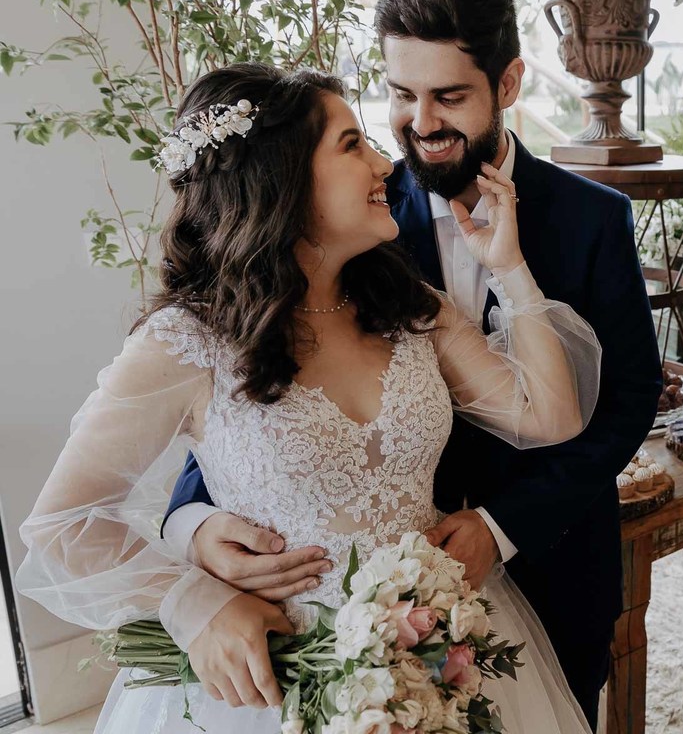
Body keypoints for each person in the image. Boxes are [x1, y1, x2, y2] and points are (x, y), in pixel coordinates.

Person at [18, 62, 603, 732]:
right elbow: (60, 525)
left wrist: (510, 269)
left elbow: (549, 418)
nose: (384, 165)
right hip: (274, 682)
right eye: (353, 145)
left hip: (433, 653)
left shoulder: (412, 308)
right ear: (283, 177)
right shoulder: (185, 342)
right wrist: (192, 601)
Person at [160, 0, 662, 730]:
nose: (420, 122)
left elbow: (628, 399)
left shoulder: (593, 218)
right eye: (401, 94)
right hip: (350, 612)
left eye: (448, 96)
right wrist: (191, 521)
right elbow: (251, 385)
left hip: (550, 564)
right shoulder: (345, 211)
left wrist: (501, 529)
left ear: (508, 83)